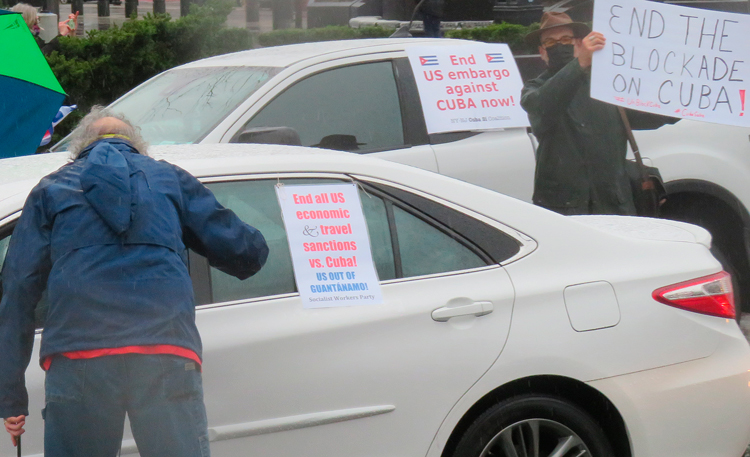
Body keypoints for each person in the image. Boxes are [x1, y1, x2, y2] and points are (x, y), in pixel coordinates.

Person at [0, 107, 269, 456]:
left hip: (80, 352)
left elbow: (18, 288)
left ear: (78, 149)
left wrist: (11, 397)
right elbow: (244, 252)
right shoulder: (169, 179)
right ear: (138, 147)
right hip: (163, 346)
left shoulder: (51, 189)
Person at [521, 12, 676, 215]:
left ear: (579, 43)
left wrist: (683, 102)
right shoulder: (534, 89)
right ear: (542, 52)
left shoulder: (609, 84)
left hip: (614, 204)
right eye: (550, 42)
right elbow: (543, 105)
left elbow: (648, 115)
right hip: (565, 209)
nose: (559, 46)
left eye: (565, 39)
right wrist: (579, 64)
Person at [10, 2, 77, 55]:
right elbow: (42, 55)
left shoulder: (31, 36)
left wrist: (71, 32)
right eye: (33, 16)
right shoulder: (18, 39)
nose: (37, 18)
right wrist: (61, 35)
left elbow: (49, 48)